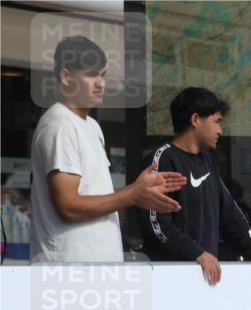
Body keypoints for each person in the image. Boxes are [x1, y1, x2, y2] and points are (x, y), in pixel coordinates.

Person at [30, 36, 186, 263]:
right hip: (68, 271)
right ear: (65, 77)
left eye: (102, 75)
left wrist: (138, 194)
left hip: (97, 270)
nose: (100, 83)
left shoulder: (91, 126)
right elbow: (69, 207)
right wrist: (132, 193)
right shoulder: (59, 125)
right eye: (91, 74)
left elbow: (93, 195)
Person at [140, 87, 251, 285]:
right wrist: (197, 253)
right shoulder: (162, 160)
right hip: (169, 280)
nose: (220, 130)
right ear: (196, 119)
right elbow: (156, 225)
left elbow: (230, 215)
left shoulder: (207, 161)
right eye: (217, 122)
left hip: (205, 279)